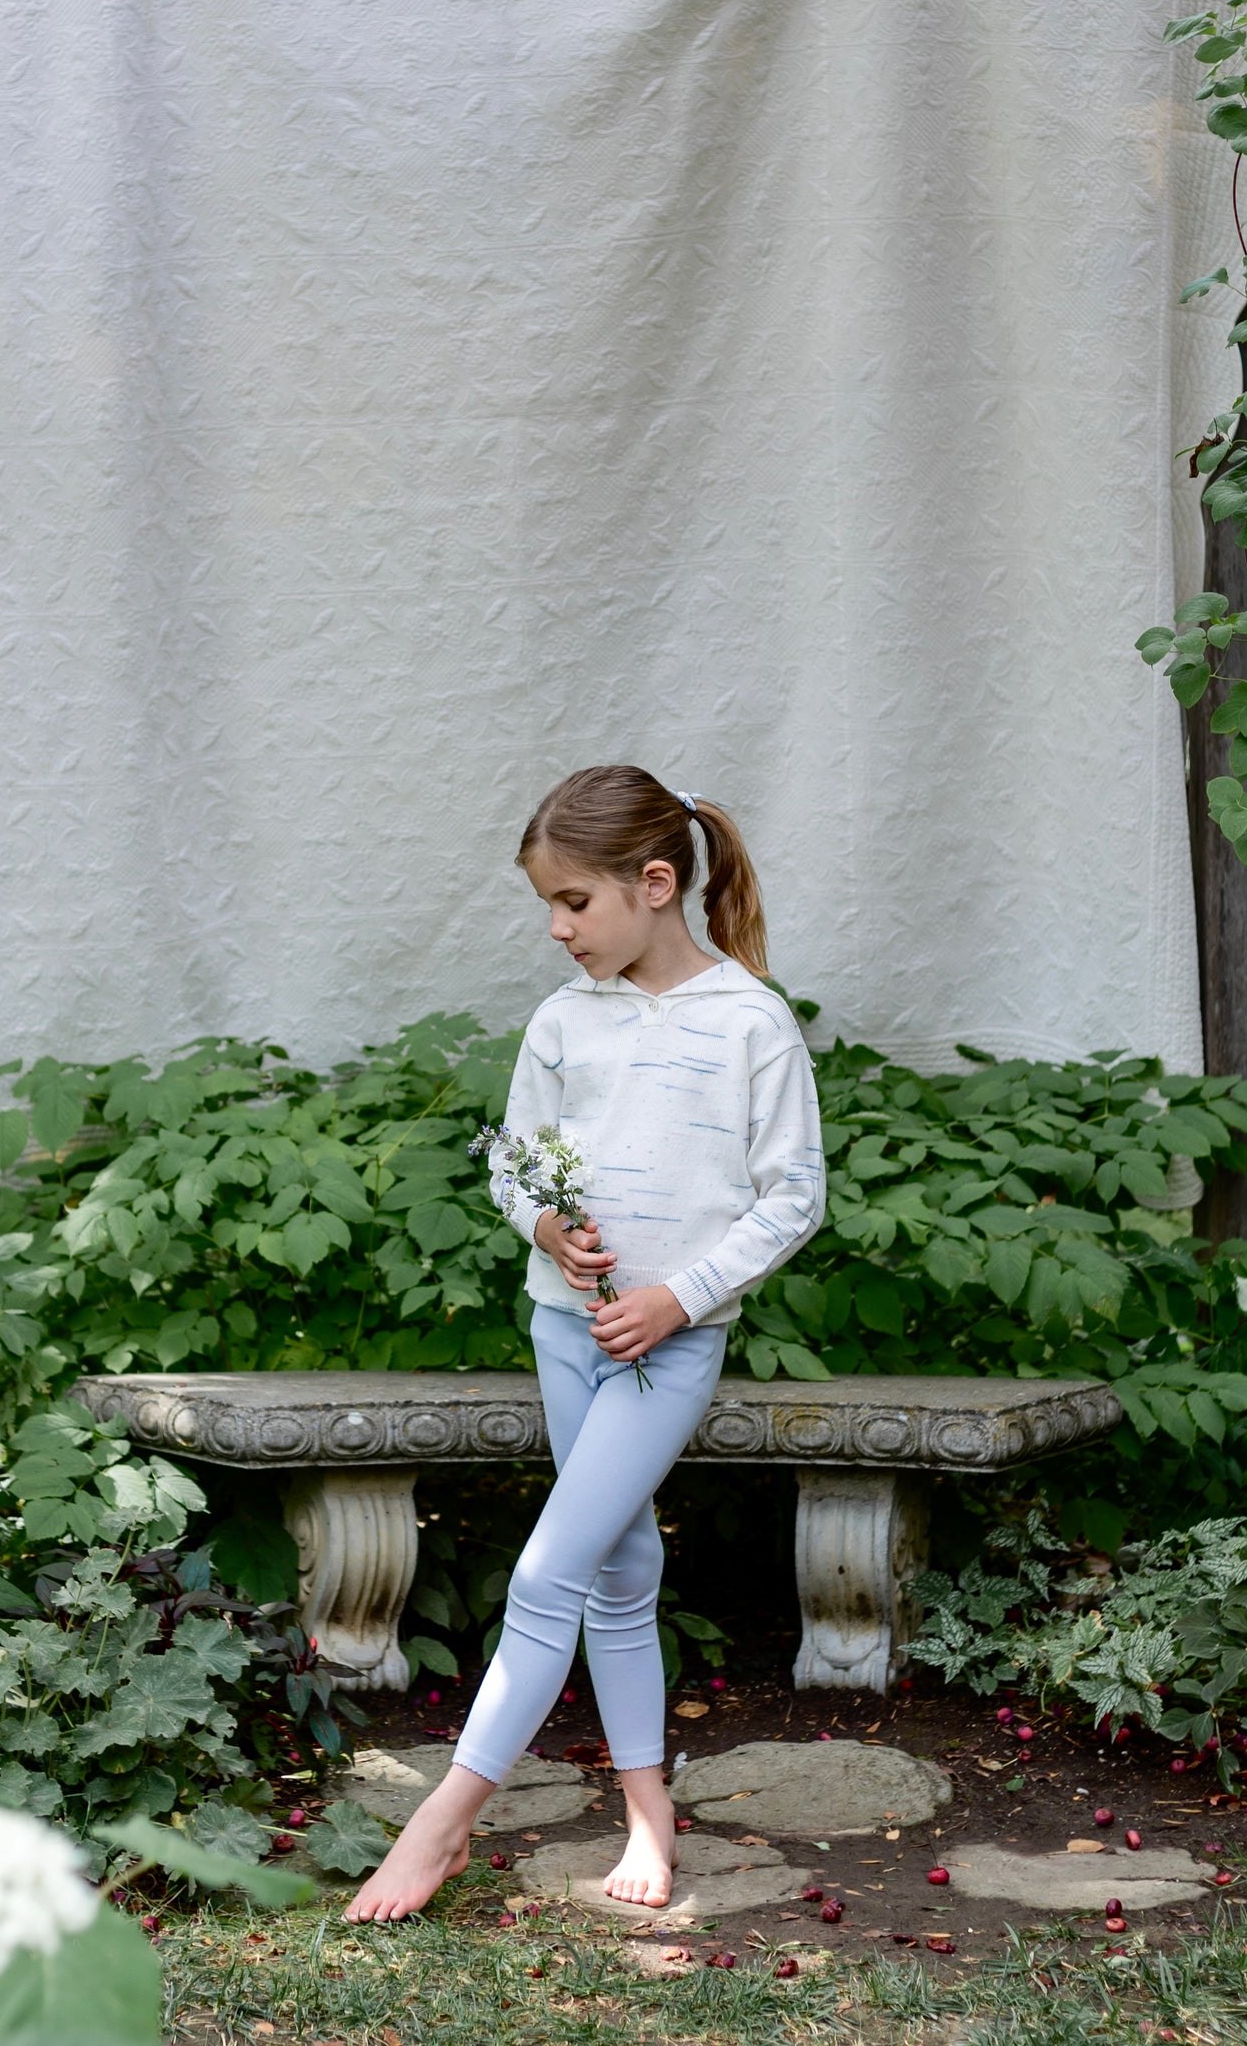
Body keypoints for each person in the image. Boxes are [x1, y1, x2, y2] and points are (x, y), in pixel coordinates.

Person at [343, 764, 825, 1923]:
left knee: (547, 1568)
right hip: (564, 1331)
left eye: (574, 902)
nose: (557, 929)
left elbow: (790, 1195)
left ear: (654, 885)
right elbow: (515, 1155)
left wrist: (679, 1296)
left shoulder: (749, 1020)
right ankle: (649, 1815)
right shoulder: (563, 1020)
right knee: (615, 1572)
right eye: (547, 906)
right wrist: (547, 1225)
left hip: (663, 1350)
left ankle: (442, 1817)